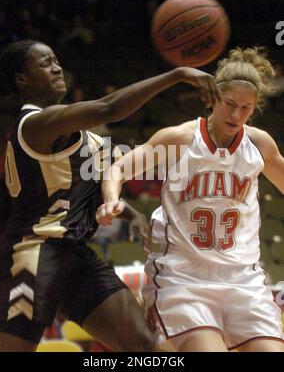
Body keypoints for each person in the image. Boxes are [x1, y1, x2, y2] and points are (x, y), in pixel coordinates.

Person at [0, 40, 218, 352]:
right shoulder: (35, 123)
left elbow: (88, 195)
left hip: (75, 257)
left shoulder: (87, 139)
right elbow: (109, 108)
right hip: (33, 255)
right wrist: (175, 75)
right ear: (21, 79)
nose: (57, 67)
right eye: (45, 63)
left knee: (147, 349)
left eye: (56, 60)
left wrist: (130, 213)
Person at [96, 47, 284, 352]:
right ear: (212, 98)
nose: (236, 115)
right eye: (229, 104)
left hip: (242, 279)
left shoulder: (259, 145)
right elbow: (119, 167)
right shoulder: (181, 139)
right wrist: (111, 200)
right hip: (184, 277)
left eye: (246, 108)